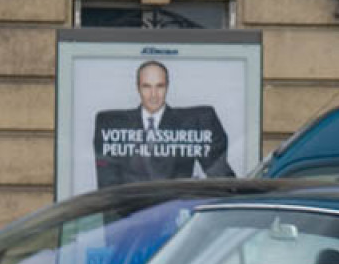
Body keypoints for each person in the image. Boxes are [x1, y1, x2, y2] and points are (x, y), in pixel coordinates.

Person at [92, 60, 235, 189]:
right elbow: (108, 188)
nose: (153, 94)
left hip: (175, 211)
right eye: (147, 86)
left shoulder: (191, 124)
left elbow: (220, 176)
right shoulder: (114, 126)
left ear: (167, 86)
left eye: (159, 86)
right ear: (138, 88)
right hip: (132, 213)